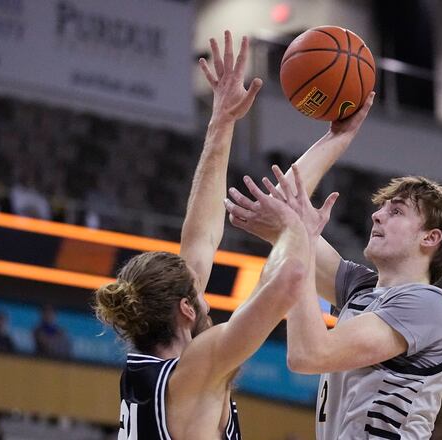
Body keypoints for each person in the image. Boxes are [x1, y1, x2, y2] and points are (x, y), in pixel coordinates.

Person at [93, 31, 334, 440]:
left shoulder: (148, 372)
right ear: (185, 311)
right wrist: (296, 228)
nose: (207, 302)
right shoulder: (197, 367)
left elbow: (201, 238)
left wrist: (221, 122)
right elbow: (287, 281)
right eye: (199, 295)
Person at [225, 99, 442, 439]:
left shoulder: (428, 306)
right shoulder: (362, 289)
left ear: (430, 238)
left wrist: (298, 238)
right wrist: (336, 138)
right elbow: (285, 211)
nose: (377, 215)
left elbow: (309, 355)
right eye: (382, 208)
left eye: (397, 211)